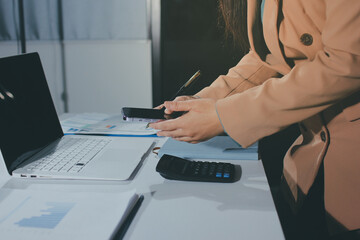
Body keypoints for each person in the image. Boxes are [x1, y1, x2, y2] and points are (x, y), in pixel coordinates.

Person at [149, 0, 360, 239]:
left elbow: (346, 61)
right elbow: (266, 59)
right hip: (311, 160)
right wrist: (198, 102)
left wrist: (224, 115)